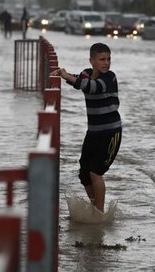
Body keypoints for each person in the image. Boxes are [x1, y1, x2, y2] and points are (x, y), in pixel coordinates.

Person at [52, 43, 122, 213]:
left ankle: (99, 214)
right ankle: (94, 208)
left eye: (108, 59)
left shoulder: (109, 78)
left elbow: (92, 87)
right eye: (102, 59)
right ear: (92, 61)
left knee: (96, 172)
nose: (106, 63)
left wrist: (67, 76)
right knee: (84, 174)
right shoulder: (86, 74)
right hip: (93, 132)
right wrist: (64, 75)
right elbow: (80, 81)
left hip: (111, 132)